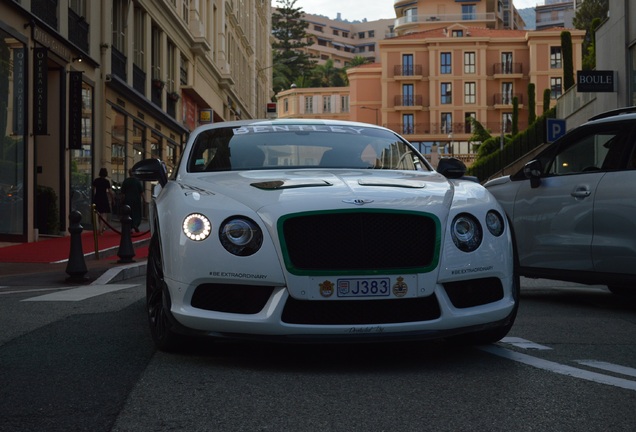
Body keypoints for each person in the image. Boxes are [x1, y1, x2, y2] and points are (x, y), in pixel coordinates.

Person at [92, 168, 113, 234]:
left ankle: (101, 227)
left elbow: (93, 189)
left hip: (97, 197)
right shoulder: (106, 181)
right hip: (104, 198)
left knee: (99, 213)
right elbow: (110, 191)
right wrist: (112, 198)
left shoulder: (96, 180)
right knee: (104, 214)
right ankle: (101, 229)